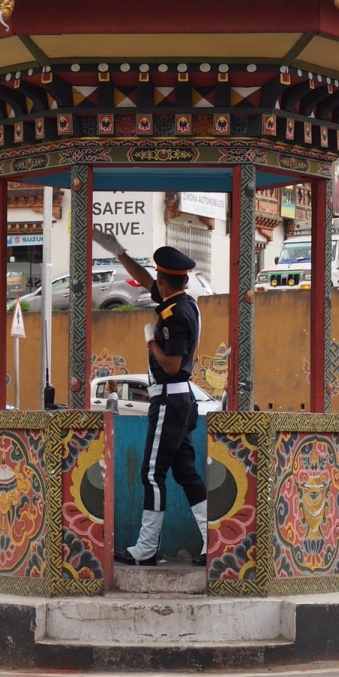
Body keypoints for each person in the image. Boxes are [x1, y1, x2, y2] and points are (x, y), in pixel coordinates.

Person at [93, 229, 208, 566]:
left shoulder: (175, 315)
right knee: (185, 472)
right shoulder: (184, 302)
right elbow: (146, 281)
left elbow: (171, 364)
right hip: (180, 399)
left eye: (158, 276)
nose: (153, 281)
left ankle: (145, 550)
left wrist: (150, 340)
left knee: (152, 474)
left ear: (165, 280)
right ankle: (212, 540)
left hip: (169, 399)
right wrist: (120, 252)